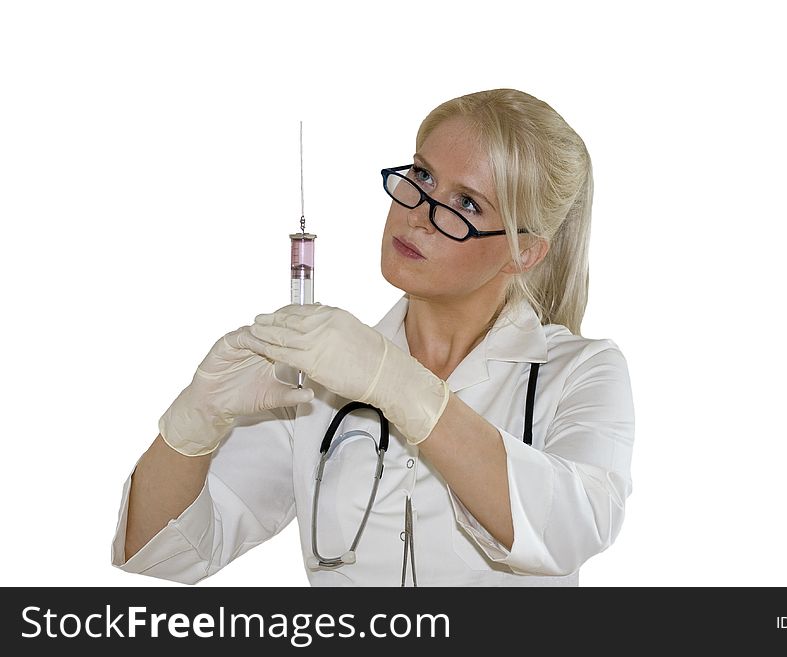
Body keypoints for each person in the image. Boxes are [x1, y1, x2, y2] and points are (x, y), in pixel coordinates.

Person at [111, 88, 636, 586]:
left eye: (467, 204)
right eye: (423, 177)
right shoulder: (318, 376)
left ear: (525, 252)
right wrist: (192, 424)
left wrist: (396, 384)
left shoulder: (580, 371)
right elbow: (164, 553)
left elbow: (571, 526)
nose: (419, 215)